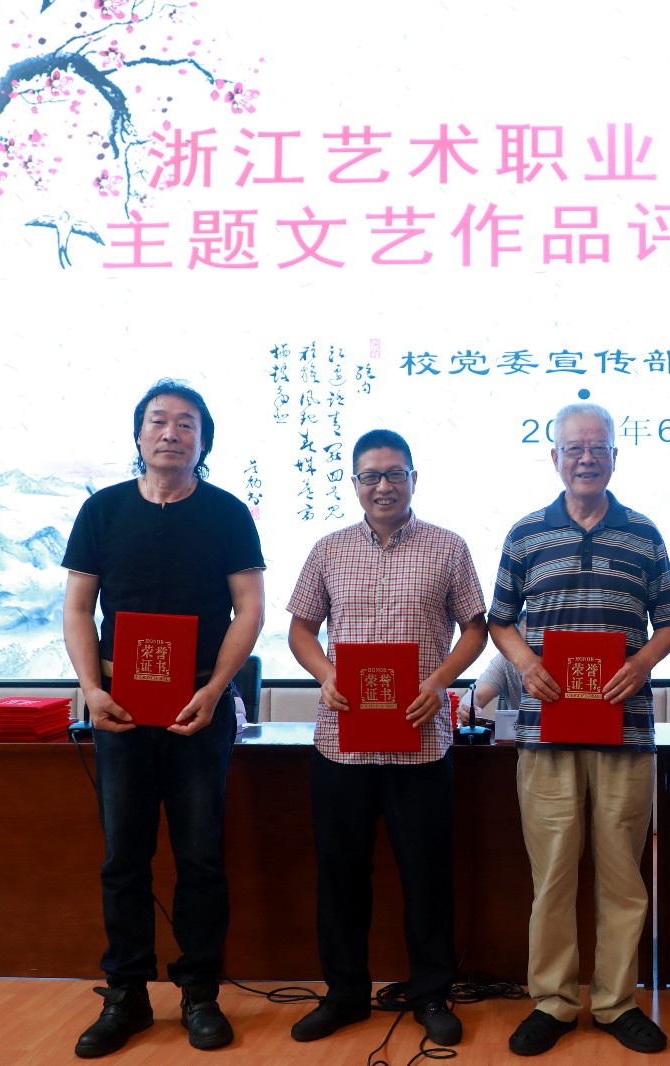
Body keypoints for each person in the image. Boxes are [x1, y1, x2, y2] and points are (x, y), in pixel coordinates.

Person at [61, 379, 266, 1058]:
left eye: (186, 424)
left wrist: (216, 690)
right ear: (138, 434)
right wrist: (91, 689)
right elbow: (78, 607)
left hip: (198, 707)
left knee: (200, 856)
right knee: (124, 857)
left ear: (203, 441)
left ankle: (200, 993)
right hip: (120, 708)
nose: (171, 433)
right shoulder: (102, 509)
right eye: (158, 421)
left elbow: (250, 609)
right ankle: (126, 995)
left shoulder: (228, 513)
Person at [488, 402, 670, 1057]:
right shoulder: (525, 534)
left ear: (615, 456)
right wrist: (525, 664)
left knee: (623, 876)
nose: (586, 458)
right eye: (574, 448)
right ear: (555, 457)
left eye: (598, 447)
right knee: (552, 877)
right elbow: (499, 619)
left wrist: (642, 663)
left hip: (625, 731)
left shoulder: (644, 534)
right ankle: (553, 1001)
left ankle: (616, 1002)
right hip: (546, 732)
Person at [285, 429, 488, 1047]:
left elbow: (475, 630)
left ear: (413, 479)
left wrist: (439, 682)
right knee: (340, 875)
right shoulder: (328, 549)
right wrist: (326, 675)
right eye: (370, 476)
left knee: (427, 875)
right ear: (354, 483)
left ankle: (431, 993)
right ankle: (345, 995)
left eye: (394, 474)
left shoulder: (448, 547)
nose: (383, 486)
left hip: (420, 742)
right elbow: (300, 630)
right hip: (341, 743)